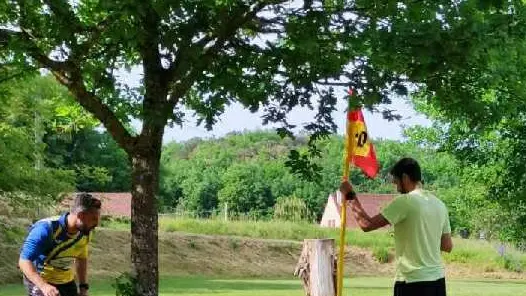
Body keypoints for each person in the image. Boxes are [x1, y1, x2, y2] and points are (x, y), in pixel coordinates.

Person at [340, 157, 453, 296]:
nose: (396, 187)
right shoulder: (440, 204)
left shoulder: (405, 201)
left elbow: (366, 224)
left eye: (396, 182)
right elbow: (447, 246)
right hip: (438, 282)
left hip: (412, 282)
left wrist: (349, 196)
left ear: (405, 178)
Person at [19, 193, 101, 296]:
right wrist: (44, 286)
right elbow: (24, 261)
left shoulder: (85, 232)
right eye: (94, 219)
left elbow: (81, 258)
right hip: (41, 280)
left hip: (66, 281)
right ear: (80, 215)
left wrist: (83, 287)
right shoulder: (46, 229)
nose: (97, 224)